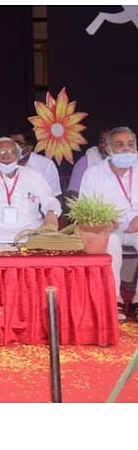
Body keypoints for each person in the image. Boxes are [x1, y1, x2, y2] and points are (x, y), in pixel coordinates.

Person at [79, 126, 138, 322]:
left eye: (131, 144)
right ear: (108, 149)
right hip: (109, 228)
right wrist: (101, 221)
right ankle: (115, 299)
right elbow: (85, 209)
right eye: (120, 145)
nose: (127, 149)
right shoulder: (93, 173)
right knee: (109, 242)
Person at [0, 137, 61, 249]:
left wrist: (51, 213)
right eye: (1, 152)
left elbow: (49, 199)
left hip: (30, 232)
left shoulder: (34, 176)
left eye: (11, 152)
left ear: (18, 155)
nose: (6, 156)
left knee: (46, 242)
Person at [9, 126, 63, 198]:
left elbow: (55, 198)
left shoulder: (46, 165)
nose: (12, 147)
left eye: (18, 143)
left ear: (29, 147)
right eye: (10, 143)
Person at [67, 127, 111, 199]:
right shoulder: (86, 161)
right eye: (102, 141)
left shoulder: (127, 163)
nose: (104, 145)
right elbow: (73, 195)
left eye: (109, 142)